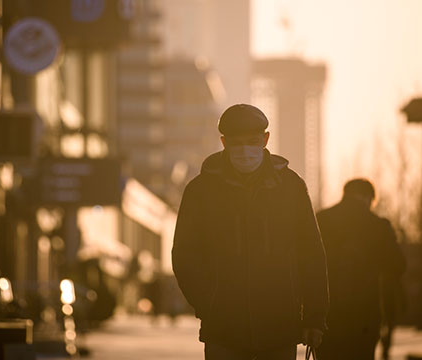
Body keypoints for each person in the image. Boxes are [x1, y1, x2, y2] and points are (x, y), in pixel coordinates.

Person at [172, 104, 329, 360]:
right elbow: (184, 255)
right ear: (224, 143)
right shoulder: (200, 191)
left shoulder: (290, 187)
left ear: (266, 139)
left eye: (252, 142)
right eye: (236, 143)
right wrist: (207, 303)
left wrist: (314, 317)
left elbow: (311, 254)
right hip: (223, 329)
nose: (245, 151)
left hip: (279, 326)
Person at [316, 179, 406, 360]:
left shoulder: (321, 219)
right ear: (367, 198)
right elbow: (397, 265)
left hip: (326, 313)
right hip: (364, 316)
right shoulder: (378, 225)